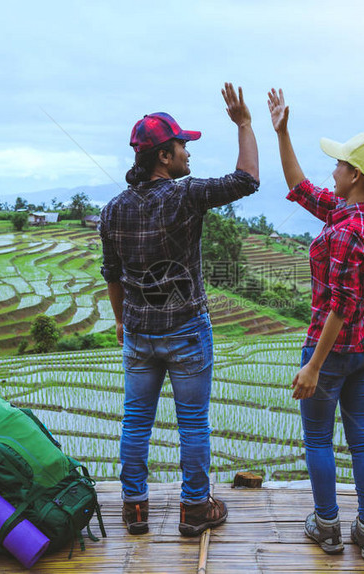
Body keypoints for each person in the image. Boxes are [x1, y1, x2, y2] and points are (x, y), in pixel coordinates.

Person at [100, 83, 259, 537]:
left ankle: (134, 510)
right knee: (192, 423)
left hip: (138, 332)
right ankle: (194, 510)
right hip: (187, 327)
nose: (188, 151)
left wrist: (120, 322)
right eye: (182, 145)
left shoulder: (113, 211)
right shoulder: (185, 196)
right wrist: (245, 124)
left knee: (136, 421)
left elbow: (113, 276)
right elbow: (247, 179)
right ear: (163, 157)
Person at [267, 88, 364, 561]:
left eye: (339, 164)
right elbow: (300, 185)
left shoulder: (349, 228)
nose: (332, 170)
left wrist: (313, 367)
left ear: (354, 176)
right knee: (363, 438)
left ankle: (328, 527)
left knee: (318, 438)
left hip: (334, 350)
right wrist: (282, 131)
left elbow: (340, 307)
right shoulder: (360, 212)